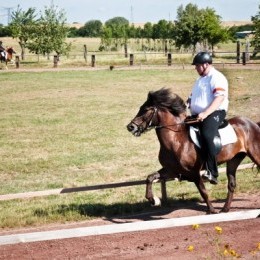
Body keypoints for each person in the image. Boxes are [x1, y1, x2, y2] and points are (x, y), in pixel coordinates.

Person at [187, 52, 229, 185]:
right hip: (198, 114)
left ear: (206, 64)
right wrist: (187, 103)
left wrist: (205, 113)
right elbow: (193, 97)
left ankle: (212, 172)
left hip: (215, 112)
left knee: (206, 134)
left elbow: (219, 98)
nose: (196, 68)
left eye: (198, 65)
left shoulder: (216, 77)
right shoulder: (199, 80)